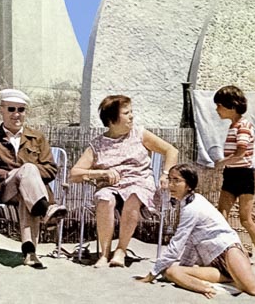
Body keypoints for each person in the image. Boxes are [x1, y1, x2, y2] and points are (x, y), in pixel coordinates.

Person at [136, 164, 255, 304]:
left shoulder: (193, 207)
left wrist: (152, 274)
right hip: (214, 262)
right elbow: (189, 244)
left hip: (229, 252)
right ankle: (207, 287)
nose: (171, 184)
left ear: (188, 185)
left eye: (176, 181)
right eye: (170, 180)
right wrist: (180, 270)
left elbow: (177, 243)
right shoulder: (186, 204)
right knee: (171, 271)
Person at [70, 95, 178, 268]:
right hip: (112, 187)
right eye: (126, 113)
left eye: (131, 112)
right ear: (112, 120)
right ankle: (104, 254)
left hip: (140, 183)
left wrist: (165, 174)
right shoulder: (97, 145)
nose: (132, 116)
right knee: (104, 198)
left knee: (134, 195)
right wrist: (101, 173)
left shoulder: (139, 134)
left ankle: (121, 250)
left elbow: (171, 150)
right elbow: (74, 173)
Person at [0, 88, 67, 269]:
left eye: (21, 110)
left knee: (27, 180)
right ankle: (46, 210)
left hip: (31, 195)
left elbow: (50, 169)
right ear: (1, 109)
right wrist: (10, 174)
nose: (16, 115)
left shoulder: (37, 138)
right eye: (11, 109)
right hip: (3, 190)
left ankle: (30, 252)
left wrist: (26, 174)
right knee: (26, 171)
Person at [213, 85, 255, 266]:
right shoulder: (233, 126)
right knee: (221, 215)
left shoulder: (244, 126)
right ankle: (232, 251)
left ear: (231, 106)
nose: (217, 110)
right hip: (231, 174)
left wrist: (222, 162)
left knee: (245, 219)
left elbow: (241, 152)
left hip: (243, 175)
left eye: (219, 105)